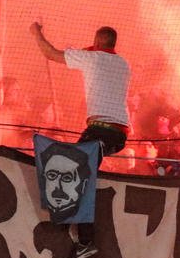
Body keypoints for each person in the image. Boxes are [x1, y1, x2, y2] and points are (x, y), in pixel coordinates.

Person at [30, 22, 131, 157]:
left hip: (101, 128)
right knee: (87, 163)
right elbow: (98, 53)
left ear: (98, 40)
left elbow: (50, 54)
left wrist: (37, 33)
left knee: (75, 160)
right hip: (121, 134)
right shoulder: (123, 64)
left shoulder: (90, 58)